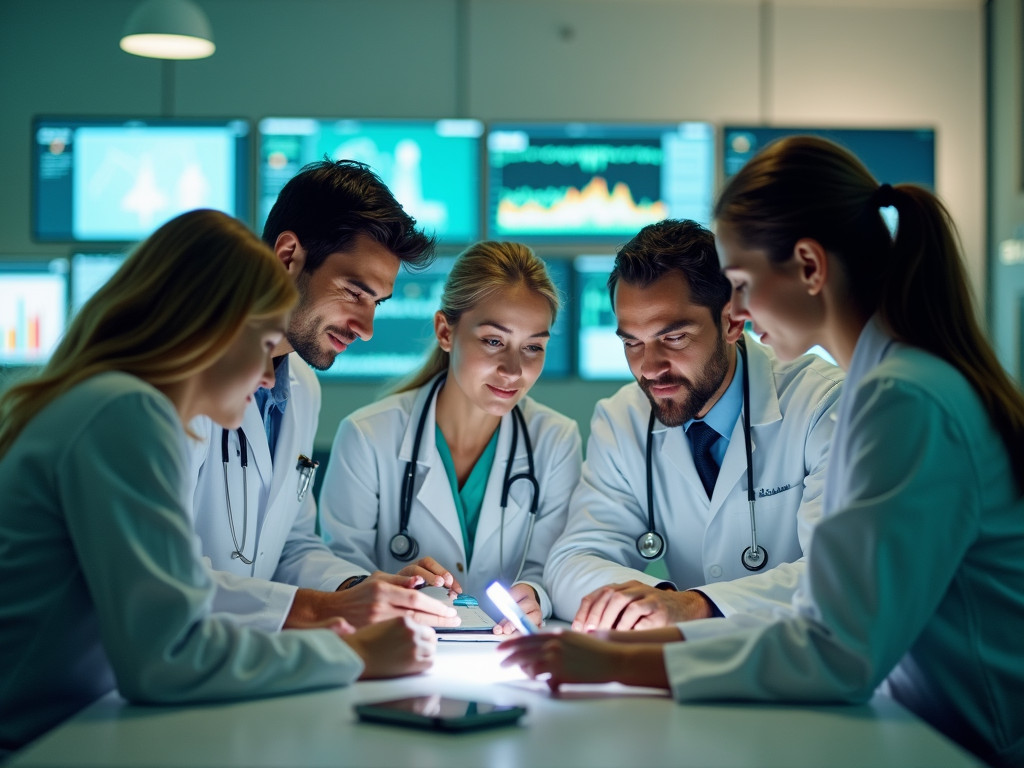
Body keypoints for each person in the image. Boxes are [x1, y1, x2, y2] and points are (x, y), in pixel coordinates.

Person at [499, 137, 1024, 768]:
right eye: (631, 341)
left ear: (809, 267)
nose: (740, 309)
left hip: (971, 744)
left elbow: (835, 650)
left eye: (743, 283)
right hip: (918, 726)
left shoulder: (898, 398)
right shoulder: (895, 382)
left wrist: (618, 658)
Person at [0, 210, 436, 757]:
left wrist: (346, 604)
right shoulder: (125, 413)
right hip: (41, 742)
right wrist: (355, 655)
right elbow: (168, 657)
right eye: (263, 342)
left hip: (82, 724)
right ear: (206, 326)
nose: (266, 375)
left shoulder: (111, 402)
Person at [186, 160, 463, 633]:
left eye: (376, 302)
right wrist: (325, 612)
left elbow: (291, 544)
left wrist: (358, 590)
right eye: (354, 291)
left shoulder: (302, 388)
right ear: (288, 254)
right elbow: (161, 578)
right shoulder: (180, 376)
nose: (367, 329)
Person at [544, 219, 843, 629]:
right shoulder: (622, 419)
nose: (649, 369)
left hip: (802, 673)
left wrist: (698, 605)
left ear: (733, 322)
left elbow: (838, 577)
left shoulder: (823, 405)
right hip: (684, 668)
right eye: (632, 342)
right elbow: (571, 563)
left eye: (674, 338)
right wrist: (659, 600)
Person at [319, 242, 582, 632]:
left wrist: (535, 594)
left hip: (506, 659)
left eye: (533, 347)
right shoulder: (368, 436)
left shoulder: (557, 441)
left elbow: (552, 566)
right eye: (494, 341)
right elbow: (340, 571)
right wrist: (389, 587)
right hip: (399, 652)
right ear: (446, 331)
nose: (513, 370)